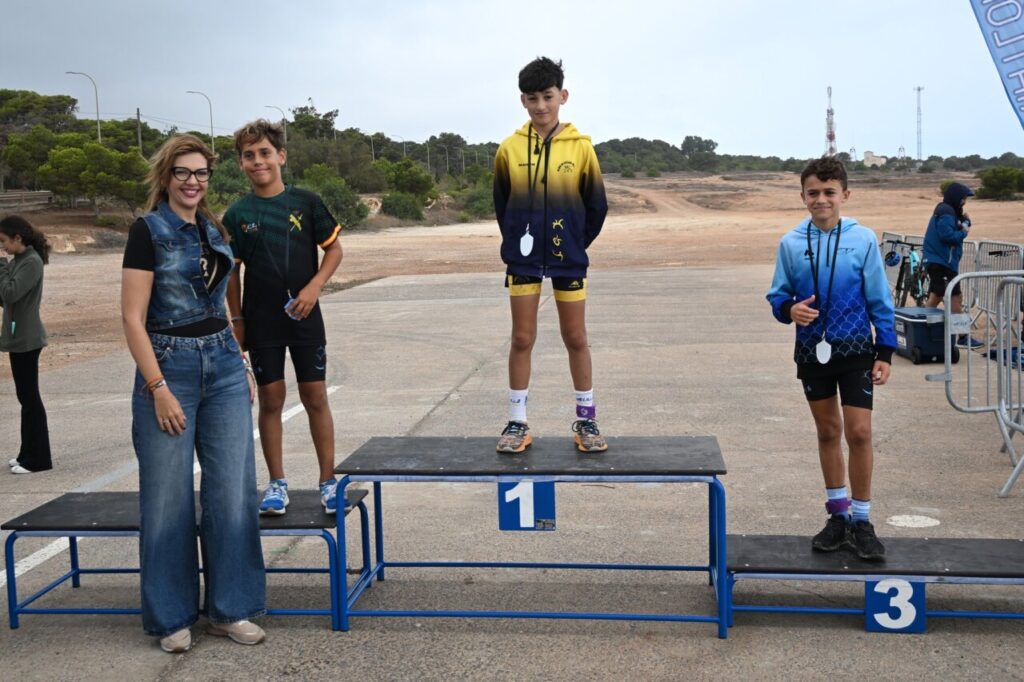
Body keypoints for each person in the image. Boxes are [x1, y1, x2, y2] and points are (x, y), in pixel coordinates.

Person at [121, 134, 266, 652]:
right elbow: (132, 319)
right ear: (166, 176)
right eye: (183, 172)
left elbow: (218, 306)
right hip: (169, 368)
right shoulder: (147, 231)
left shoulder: (213, 227)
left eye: (201, 173)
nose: (192, 181)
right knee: (167, 499)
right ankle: (171, 617)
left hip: (223, 365)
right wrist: (157, 387)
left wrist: (239, 362)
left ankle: (230, 610)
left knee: (232, 492)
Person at [766, 156, 896, 562]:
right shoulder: (790, 242)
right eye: (813, 193)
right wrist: (789, 309)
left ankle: (862, 521)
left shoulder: (863, 239)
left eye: (829, 192)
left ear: (845, 194)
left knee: (859, 433)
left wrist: (885, 349)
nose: (821, 199)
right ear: (802, 196)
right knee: (827, 432)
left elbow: (879, 296)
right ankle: (838, 516)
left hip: (856, 348)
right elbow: (777, 295)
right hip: (812, 350)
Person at [223, 120, 343, 516]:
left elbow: (334, 250)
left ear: (281, 156)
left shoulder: (306, 202)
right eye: (249, 155)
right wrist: (237, 321)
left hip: (306, 317)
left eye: (265, 153)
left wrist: (314, 288)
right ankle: (277, 484)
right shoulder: (237, 213)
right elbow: (231, 273)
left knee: (315, 397)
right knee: (271, 399)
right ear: (241, 163)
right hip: (261, 322)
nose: (258, 161)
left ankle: (328, 482)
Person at [492, 56, 609, 454]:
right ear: (522, 101)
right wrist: (518, 242)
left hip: (568, 258)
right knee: (522, 337)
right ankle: (517, 421)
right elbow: (503, 205)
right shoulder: (508, 149)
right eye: (532, 98)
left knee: (576, 337)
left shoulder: (582, 148)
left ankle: (587, 420)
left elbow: (596, 206)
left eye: (547, 96)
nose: (540, 105)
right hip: (523, 260)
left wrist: (573, 242)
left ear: (563, 95)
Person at [0, 215, 52, 474]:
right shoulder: (19, 261)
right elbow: (6, 297)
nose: (2, 247)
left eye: (4, 241)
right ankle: (26, 453)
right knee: (25, 397)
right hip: (17, 335)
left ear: (18, 238)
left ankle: (39, 459)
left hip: (27, 338)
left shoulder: (31, 262)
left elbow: (10, 292)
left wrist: (0, 264)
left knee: (30, 398)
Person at [922, 182, 979, 348]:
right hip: (941, 263)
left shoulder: (947, 210)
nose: (964, 202)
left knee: (937, 297)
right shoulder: (946, 212)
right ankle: (963, 336)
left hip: (939, 262)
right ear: (956, 197)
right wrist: (964, 232)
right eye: (963, 198)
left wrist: (966, 222)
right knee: (954, 298)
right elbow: (947, 236)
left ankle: (921, 329)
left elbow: (959, 224)